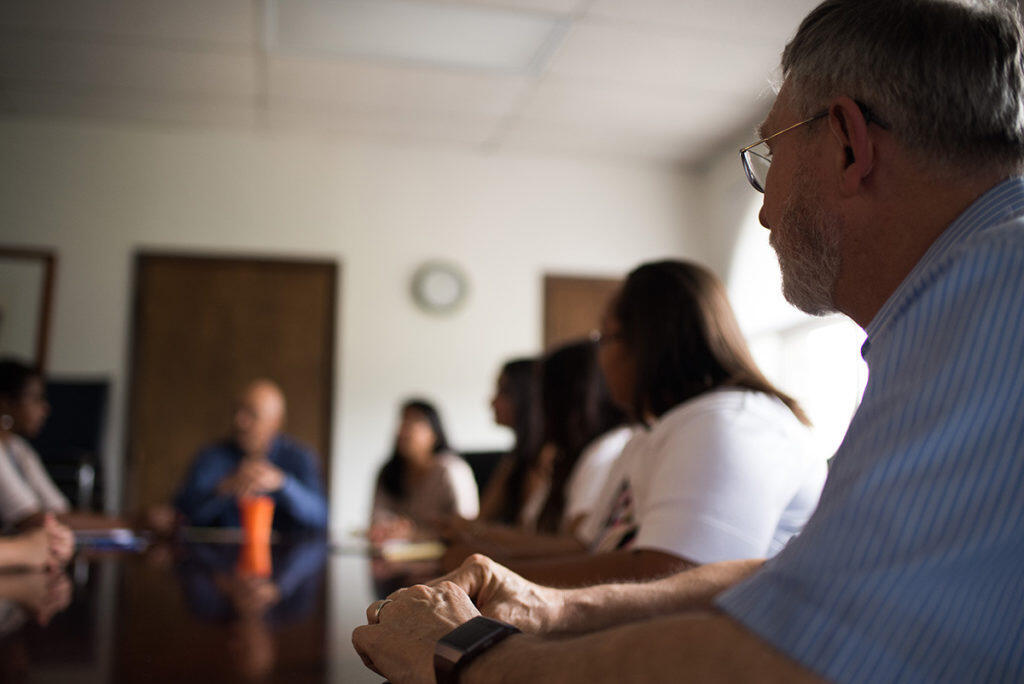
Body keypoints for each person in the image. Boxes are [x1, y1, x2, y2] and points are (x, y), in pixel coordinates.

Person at [353, 1, 1024, 682]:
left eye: (771, 152)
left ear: (849, 143)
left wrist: (466, 658)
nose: (763, 208)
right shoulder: (969, 293)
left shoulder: (994, 286)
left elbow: (804, 658)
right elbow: (800, 576)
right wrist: (555, 609)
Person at [449, 261, 825, 586]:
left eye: (606, 338)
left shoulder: (725, 424)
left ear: (647, 343)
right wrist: (486, 562)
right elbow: (593, 548)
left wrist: (494, 575)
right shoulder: (656, 432)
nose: (601, 359)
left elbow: (672, 577)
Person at [443, 338, 631, 561]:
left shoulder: (604, 451)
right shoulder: (562, 454)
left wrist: (477, 539)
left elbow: (573, 547)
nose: (538, 403)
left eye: (544, 393)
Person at [175, 379, 328, 532]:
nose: (240, 421)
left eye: (252, 414)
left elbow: (320, 518)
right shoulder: (212, 456)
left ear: (275, 422)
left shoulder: (300, 458)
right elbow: (182, 514)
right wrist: (225, 488)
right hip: (219, 554)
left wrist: (281, 483)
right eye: (237, 411)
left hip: (285, 555)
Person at [0, 359, 119, 531]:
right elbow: (31, 520)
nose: (45, 409)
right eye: (35, 399)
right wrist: (131, 524)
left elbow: (58, 510)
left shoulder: (19, 449)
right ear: (5, 403)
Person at [370, 399, 478, 543]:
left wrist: (415, 534)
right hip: (393, 559)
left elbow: (466, 526)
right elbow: (377, 517)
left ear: (434, 433)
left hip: (444, 558)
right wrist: (387, 527)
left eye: (414, 422)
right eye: (402, 421)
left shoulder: (451, 470)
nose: (403, 430)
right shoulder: (389, 471)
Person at [474, 359, 543, 525]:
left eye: (503, 391)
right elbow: (482, 519)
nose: (492, 402)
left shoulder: (543, 458)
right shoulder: (515, 457)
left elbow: (528, 532)